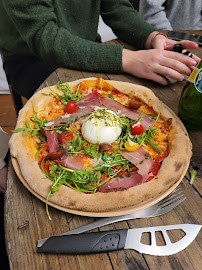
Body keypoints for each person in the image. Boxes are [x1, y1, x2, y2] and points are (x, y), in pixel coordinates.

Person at [0, 0, 200, 100]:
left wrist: (151, 37)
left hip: (87, 47)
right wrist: (130, 60)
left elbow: (117, 8)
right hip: (32, 61)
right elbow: (46, 38)